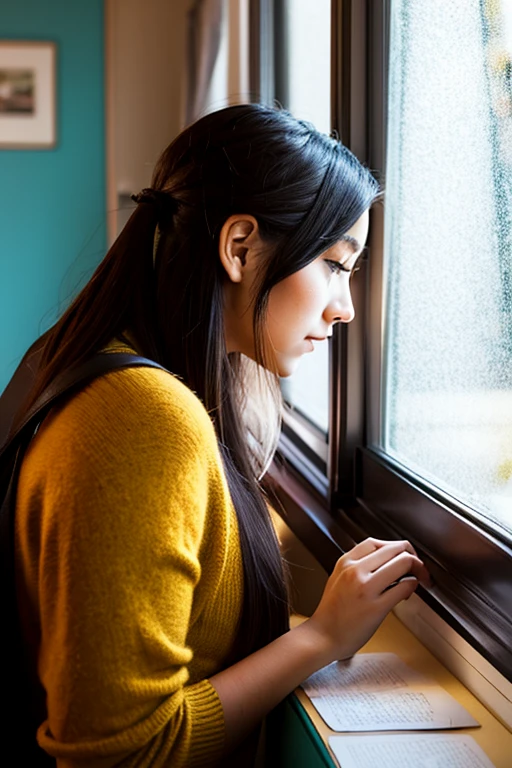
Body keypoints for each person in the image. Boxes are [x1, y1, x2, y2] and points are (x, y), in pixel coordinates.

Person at [13, 103, 431, 767]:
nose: (345, 305)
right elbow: (120, 755)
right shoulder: (144, 419)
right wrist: (321, 637)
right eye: (334, 263)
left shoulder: (95, 361)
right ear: (239, 247)